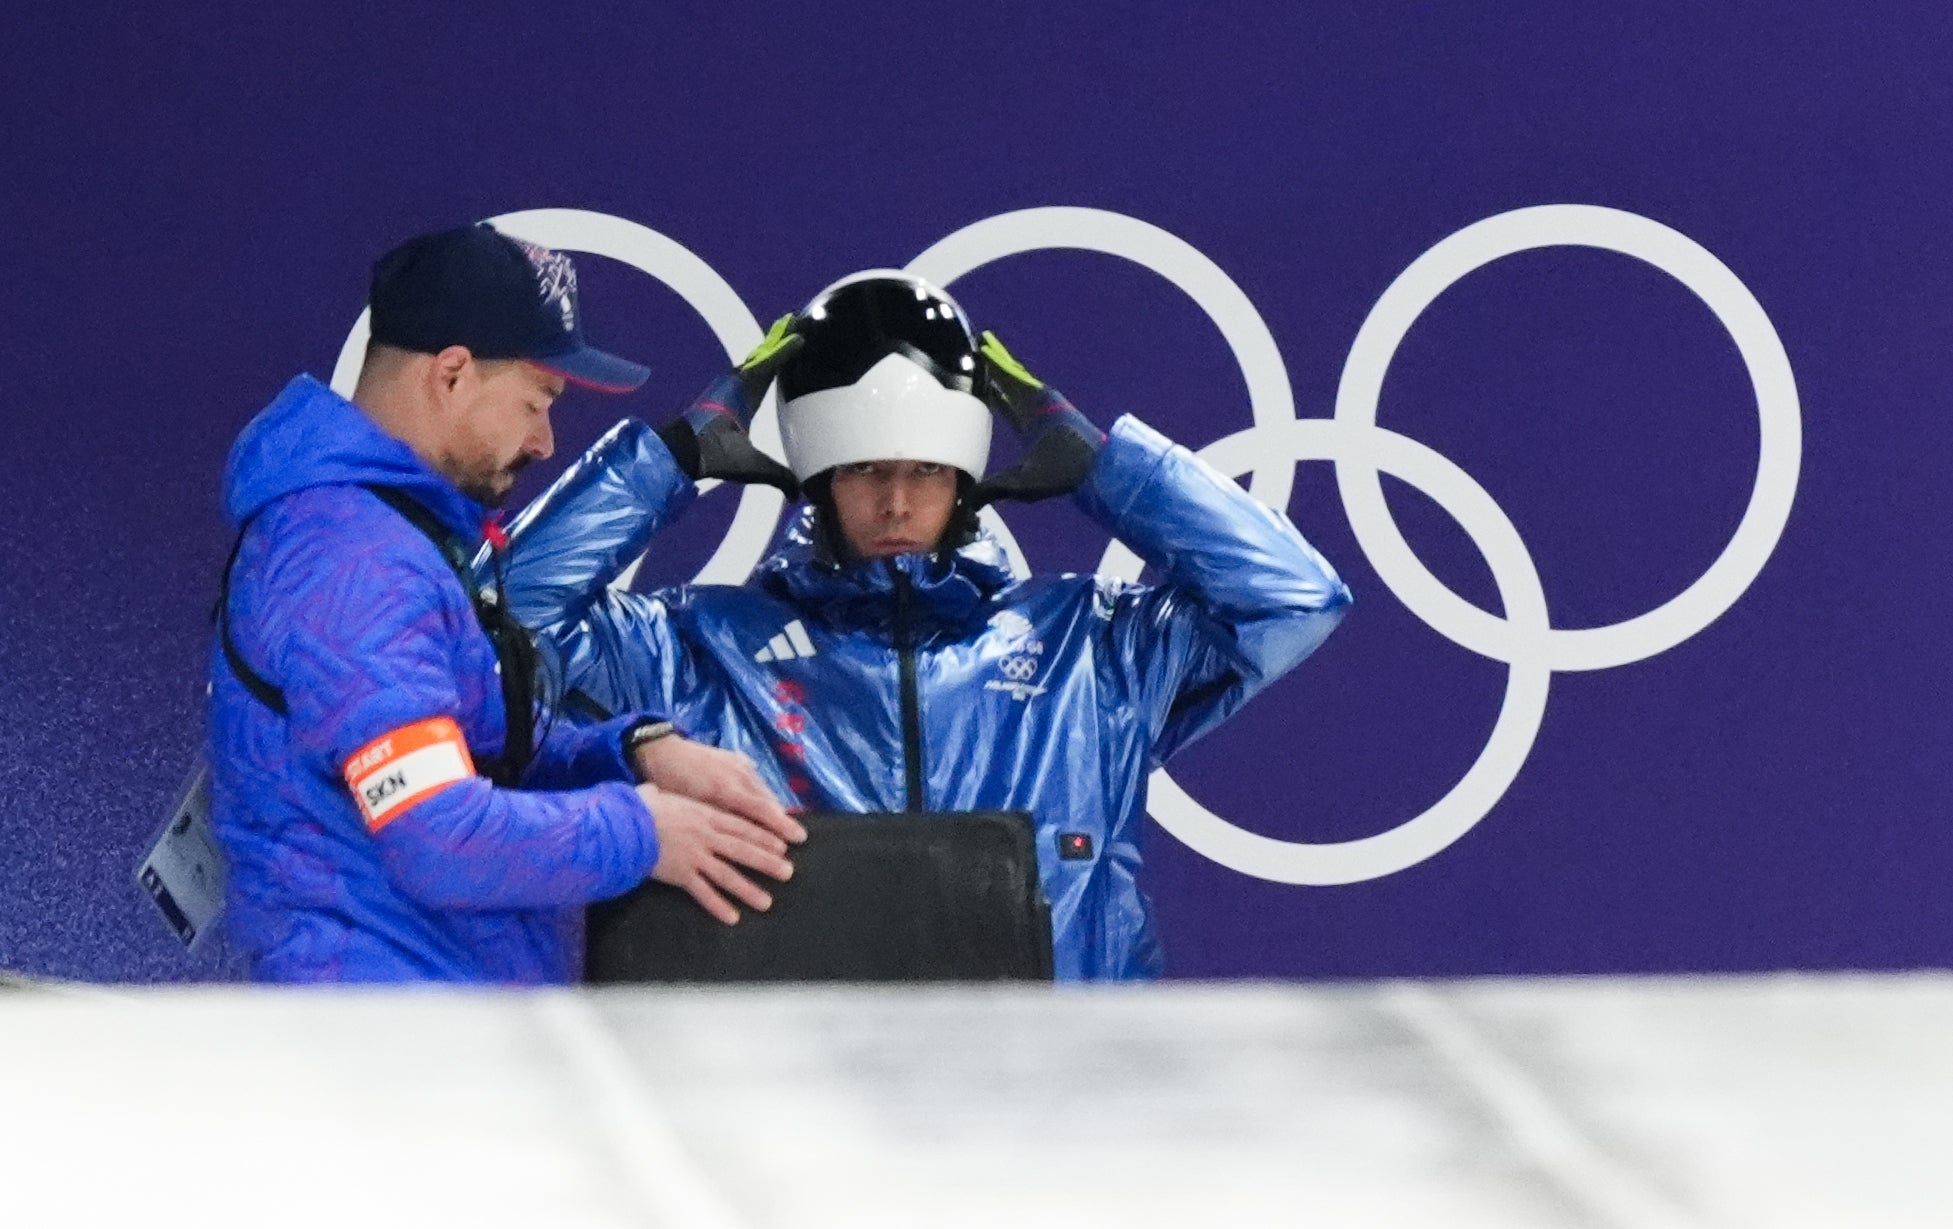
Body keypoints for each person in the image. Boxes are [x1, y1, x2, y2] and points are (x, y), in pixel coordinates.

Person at [498, 271, 1351, 980]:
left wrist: (1106, 465)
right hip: (795, 1103)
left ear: (966, 470)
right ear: (817, 477)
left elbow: (1291, 597)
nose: (898, 501)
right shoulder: (697, 648)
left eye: (927, 471)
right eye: (864, 468)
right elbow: (499, 616)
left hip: (1065, 1106)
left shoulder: (1090, 649)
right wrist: (668, 460)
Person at [205, 222, 804, 984]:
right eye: (538, 400)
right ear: (451, 374)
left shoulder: (388, 535)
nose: (547, 441)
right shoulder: (356, 561)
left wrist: (632, 749)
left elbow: (469, 748)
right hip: (379, 1055)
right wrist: (642, 830)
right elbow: (436, 834)